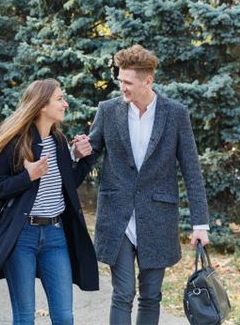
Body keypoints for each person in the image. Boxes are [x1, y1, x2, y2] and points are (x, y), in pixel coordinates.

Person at [76, 45, 210, 325]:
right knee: (122, 293)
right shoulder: (108, 110)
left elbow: (191, 170)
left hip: (158, 217)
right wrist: (80, 151)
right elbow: (91, 153)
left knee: (151, 295)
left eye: (128, 82)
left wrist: (200, 224)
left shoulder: (175, 114)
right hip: (117, 216)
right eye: (120, 80)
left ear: (148, 81)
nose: (121, 87)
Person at [0, 79, 99, 325]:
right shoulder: (15, 141)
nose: (65, 103)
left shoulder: (60, 141)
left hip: (55, 236)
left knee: (64, 316)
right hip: (22, 236)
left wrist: (84, 159)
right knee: (24, 317)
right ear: (42, 105)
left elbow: (68, 184)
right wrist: (27, 177)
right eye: (60, 99)